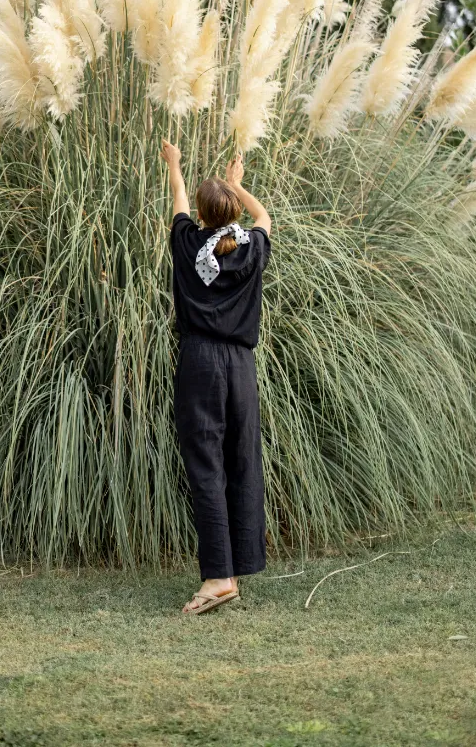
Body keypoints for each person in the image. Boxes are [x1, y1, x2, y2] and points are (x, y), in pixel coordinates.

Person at [161, 139, 272, 615]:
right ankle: (235, 568)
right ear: (232, 214)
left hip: (201, 362)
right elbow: (264, 219)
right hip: (241, 369)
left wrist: (175, 166)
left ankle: (218, 577)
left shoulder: (188, 245)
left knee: (206, 465)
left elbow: (179, 206)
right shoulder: (252, 248)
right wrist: (240, 186)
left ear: (203, 218)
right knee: (241, 461)